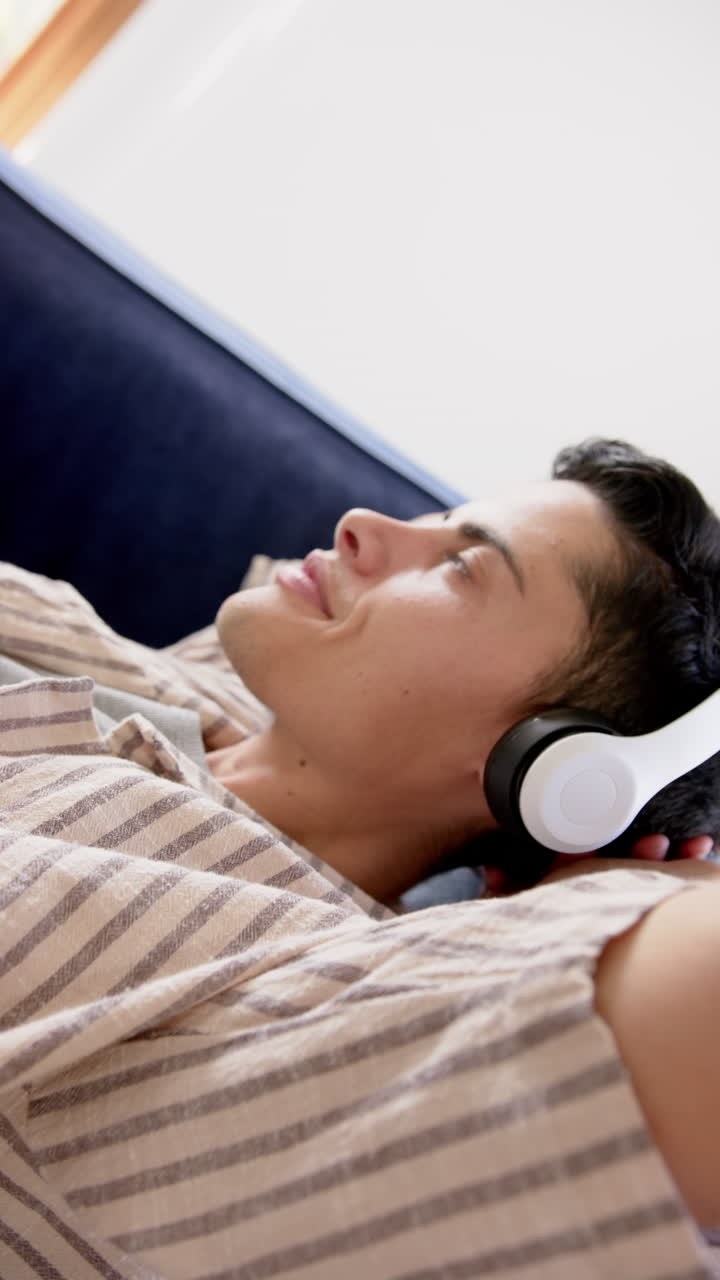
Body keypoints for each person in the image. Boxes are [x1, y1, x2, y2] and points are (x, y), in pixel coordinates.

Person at [0, 436, 719, 1277]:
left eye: (463, 567)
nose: (361, 523)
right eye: (440, 523)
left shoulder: (271, 1002)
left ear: (561, 771)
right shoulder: (207, 690)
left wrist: (619, 887)